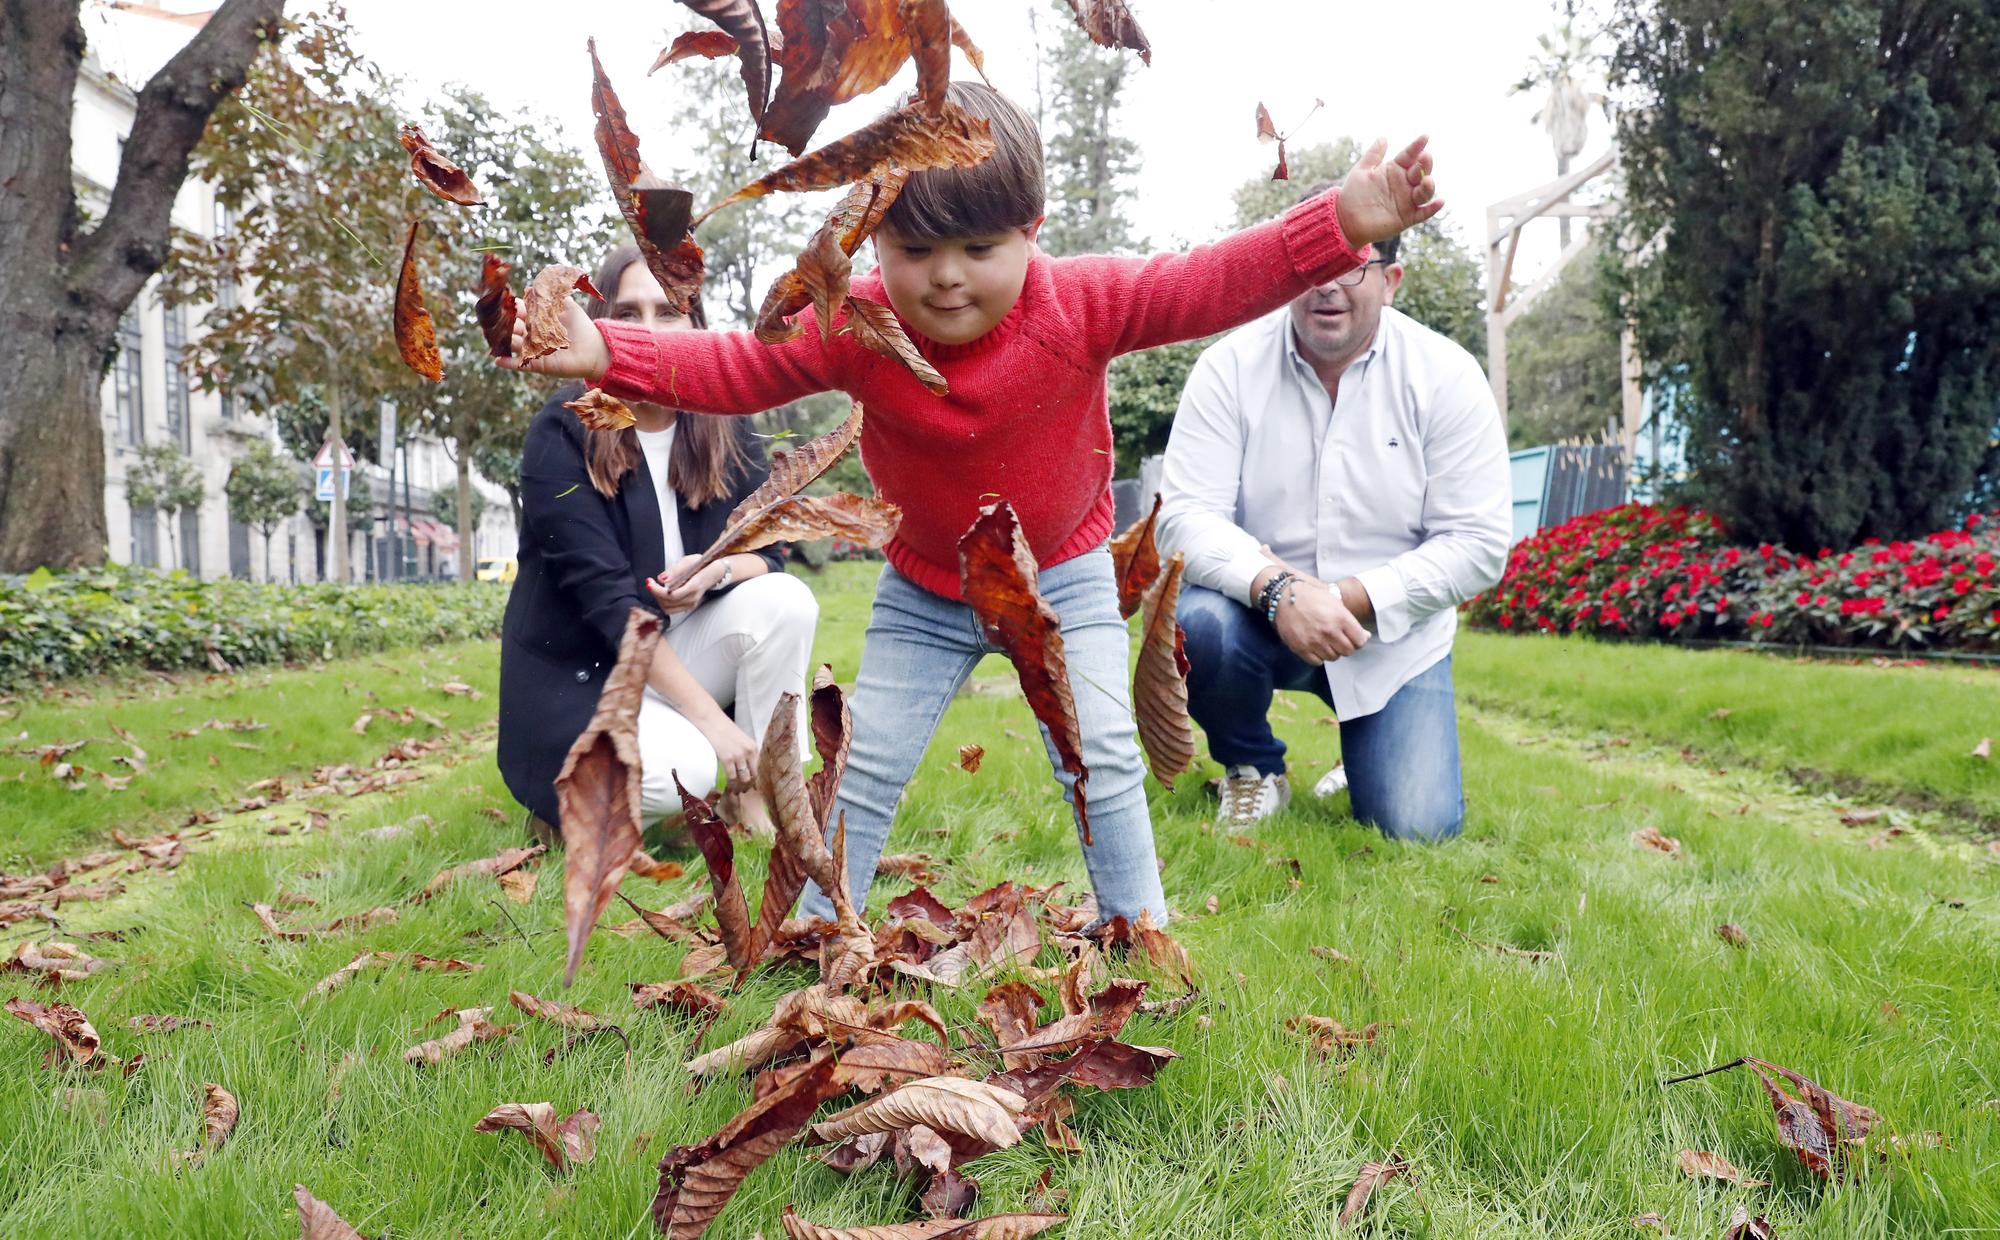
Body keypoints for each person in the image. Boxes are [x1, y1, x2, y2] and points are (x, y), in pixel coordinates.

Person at [498, 82, 1440, 925]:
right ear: (874, 240)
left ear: (1032, 229)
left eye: (980, 249)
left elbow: (1207, 282)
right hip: (928, 584)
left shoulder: (1085, 303)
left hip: (1063, 572)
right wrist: (606, 353)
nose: (946, 276)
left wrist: (1340, 222)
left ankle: (1138, 931)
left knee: (1102, 761)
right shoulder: (858, 321)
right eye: (915, 250)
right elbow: (742, 365)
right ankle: (826, 926)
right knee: (866, 767)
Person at [1156, 185, 1511, 839]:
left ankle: (1364, 755)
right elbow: (1182, 518)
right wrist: (1279, 590)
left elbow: (1479, 542)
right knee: (1198, 623)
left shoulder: (1447, 376)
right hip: (1259, 618)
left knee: (1414, 827)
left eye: (1351, 266)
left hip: (1391, 639)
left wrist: (1346, 597)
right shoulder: (1227, 369)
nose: (1327, 287)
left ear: (1392, 280)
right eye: (1313, 265)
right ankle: (1252, 768)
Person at [496, 243, 819, 842]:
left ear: (694, 325)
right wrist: (716, 731)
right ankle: (568, 806)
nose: (649, 330)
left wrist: (716, 569)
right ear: (599, 325)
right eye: (626, 312)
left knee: (787, 599)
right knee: (692, 769)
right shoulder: (561, 431)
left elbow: (769, 554)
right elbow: (609, 606)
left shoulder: (725, 425)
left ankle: (759, 805)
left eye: (668, 312)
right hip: (584, 676)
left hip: (678, 655)